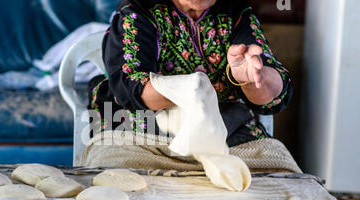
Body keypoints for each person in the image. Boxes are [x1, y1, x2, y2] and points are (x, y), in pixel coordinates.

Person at [88, 0, 292, 147]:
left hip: (223, 126)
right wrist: (191, 89)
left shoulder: (237, 12)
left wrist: (251, 79)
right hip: (142, 127)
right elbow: (130, 90)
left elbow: (272, 96)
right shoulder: (139, 11)